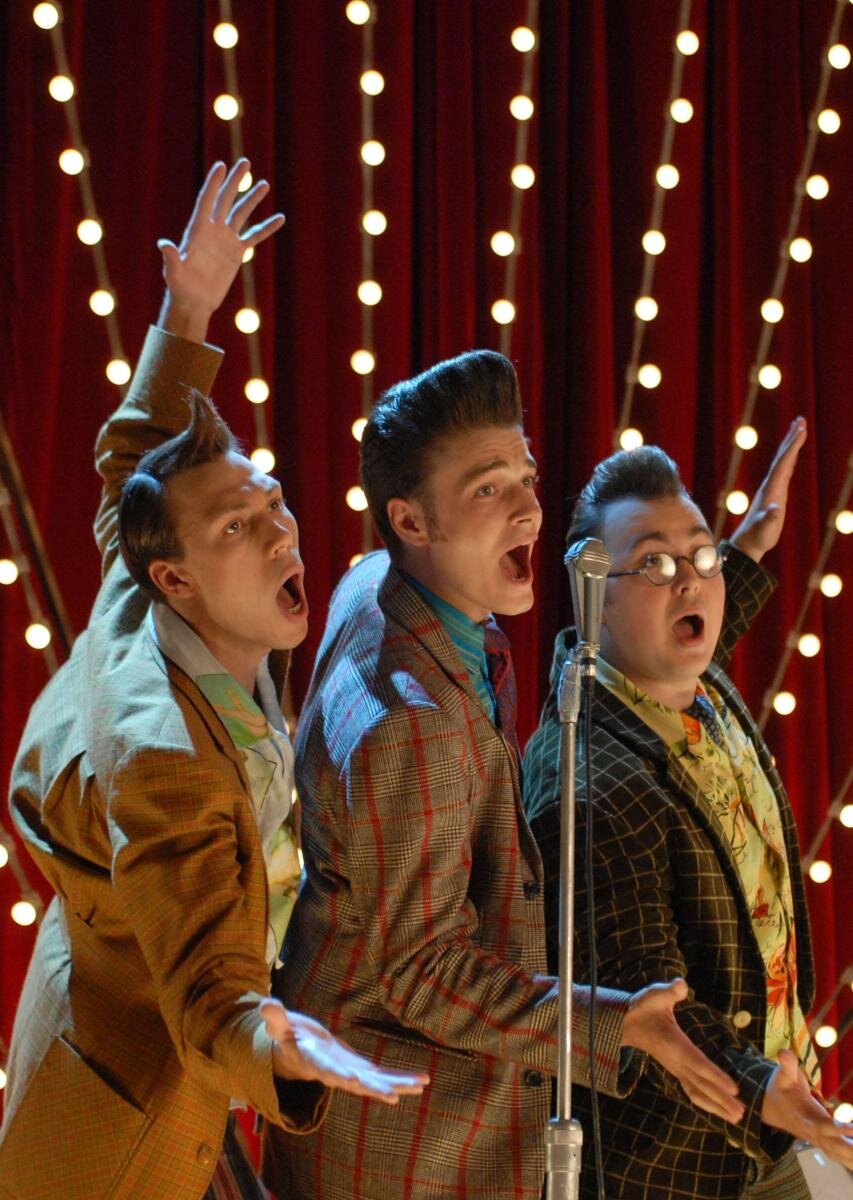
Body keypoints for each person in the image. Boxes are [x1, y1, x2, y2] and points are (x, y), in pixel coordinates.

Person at [0, 161, 426, 1200]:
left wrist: (188, 306)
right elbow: (208, 995)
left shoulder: (143, 585)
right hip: (126, 1133)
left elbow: (136, 462)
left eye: (271, 502)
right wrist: (285, 1043)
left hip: (96, 1018)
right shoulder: (168, 761)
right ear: (179, 577)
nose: (281, 531)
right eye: (240, 527)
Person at [262, 353, 744, 1200]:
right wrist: (614, 1022)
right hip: (409, 1149)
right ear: (410, 520)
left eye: (525, 476)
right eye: (488, 488)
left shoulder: (382, 581)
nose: (527, 508)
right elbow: (420, 971)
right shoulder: (411, 722)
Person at [523, 427, 853, 1198]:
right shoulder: (590, 783)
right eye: (654, 564)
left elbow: (693, 620)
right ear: (592, 597)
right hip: (683, 1157)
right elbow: (643, 999)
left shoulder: (684, 687)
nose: (690, 584)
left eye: (700, 558)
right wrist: (762, 1089)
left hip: (771, 1112)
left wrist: (744, 549)